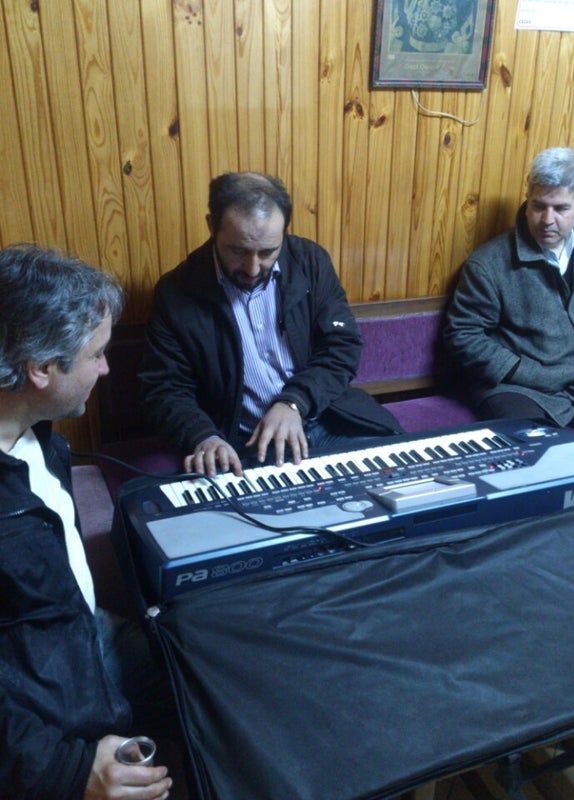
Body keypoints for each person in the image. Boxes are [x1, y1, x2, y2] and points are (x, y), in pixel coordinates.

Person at [0, 245, 176, 800]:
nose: (106, 368)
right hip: (43, 726)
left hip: (85, 642)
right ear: (40, 368)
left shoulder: (38, 435)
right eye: (96, 354)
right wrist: (69, 770)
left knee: (216, 676)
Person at [139, 172, 402, 477]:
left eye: (267, 252)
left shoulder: (311, 262)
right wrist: (202, 436)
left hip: (329, 420)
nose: (253, 268)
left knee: (396, 484)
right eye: (238, 250)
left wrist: (294, 403)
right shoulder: (176, 292)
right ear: (211, 226)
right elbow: (166, 388)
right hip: (244, 446)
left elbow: (342, 347)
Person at [444, 146, 574, 439]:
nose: (547, 219)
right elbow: (463, 335)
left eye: (561, 209)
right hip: (519, 389)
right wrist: (518, 370)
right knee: (532, 447)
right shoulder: (488, 263)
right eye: (538, 206)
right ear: (527, 201)